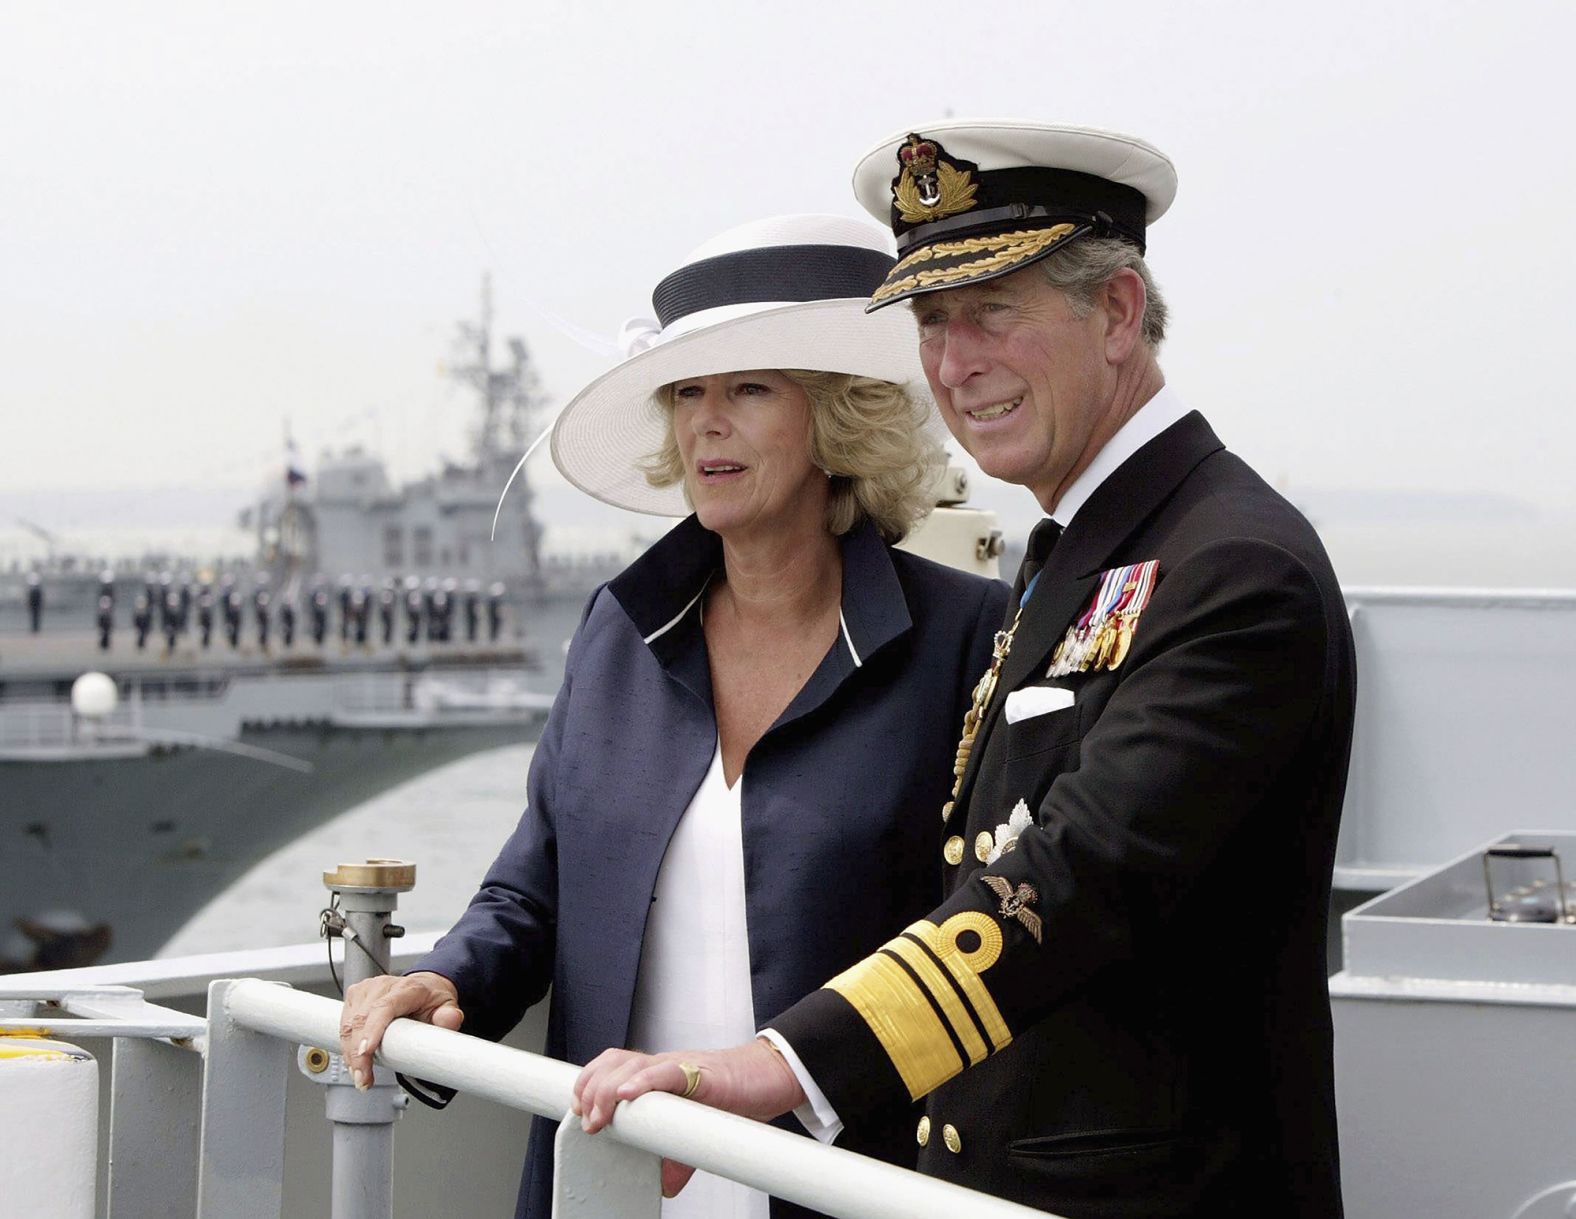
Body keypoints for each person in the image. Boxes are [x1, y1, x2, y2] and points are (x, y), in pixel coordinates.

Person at [573, 122, 1358, 1219]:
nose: (954, 364)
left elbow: (1078, 877)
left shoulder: (1233, 570)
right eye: (935, 323)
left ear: (1119, 311)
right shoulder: (1083, 553)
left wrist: (773, 1066)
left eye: (994, 313)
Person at [337, 214, 1010, 1219]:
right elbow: (532, 892)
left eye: (747, 389)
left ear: (838, 419)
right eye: (686, 392)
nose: (706, 423)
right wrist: (448, 981)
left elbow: (992, 939)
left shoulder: (964, 638)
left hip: (848, 1187)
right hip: (614, 1181)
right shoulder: (620, 634)